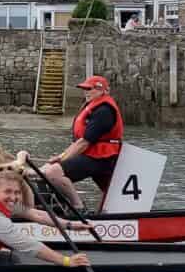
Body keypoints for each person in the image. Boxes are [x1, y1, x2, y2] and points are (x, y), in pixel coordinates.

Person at [38, 74, 123, 211]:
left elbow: (83, 143)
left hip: (103, 158)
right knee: (46, 170)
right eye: (85, 89)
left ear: (103, 91)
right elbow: (78, 143)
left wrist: (61, 159)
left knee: (52, 172)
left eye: (90, 89)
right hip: (91, 156)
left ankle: (78, 207)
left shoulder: (104, 111)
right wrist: (61, 156)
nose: (86, 92)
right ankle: (56, 207)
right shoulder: (92, 107)